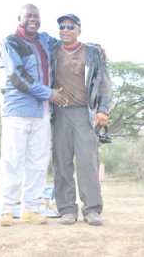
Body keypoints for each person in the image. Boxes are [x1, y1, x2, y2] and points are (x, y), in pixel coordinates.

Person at [0, 4, 67, 226]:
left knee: (38, 161)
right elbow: (18, 76)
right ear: (19, 17)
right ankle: (6, 209)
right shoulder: (11, 42)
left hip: (42, 111)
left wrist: (95, 47)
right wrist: (49, 93)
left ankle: (31, 208)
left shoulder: (45, 40)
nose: (32, 19)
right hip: (17, 109)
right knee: (13, 159)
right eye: (28, 15)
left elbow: (68, 44)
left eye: (36, 16)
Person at [52, 14, 112, 226]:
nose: (65, 30)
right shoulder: (52, 50)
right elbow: (30, 40)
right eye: (62, 27)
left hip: (85, 114)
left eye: (70, 26)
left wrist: (103, 109)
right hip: (58, 113)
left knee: (88, 163)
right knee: (62, 163)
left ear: (79, 30)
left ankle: (92, 210)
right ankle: (67, 209)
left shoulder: (93, 52)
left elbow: (104, 83)